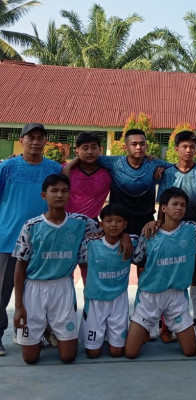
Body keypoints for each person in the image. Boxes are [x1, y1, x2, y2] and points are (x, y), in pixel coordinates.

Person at [13, 174, 97, 364]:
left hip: (63, 287)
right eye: (54, 191)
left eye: (64, 191)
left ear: (69, 195)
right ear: (44, 195)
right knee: (30, 359)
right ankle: (41, 328)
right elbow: (20, 265)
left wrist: (125, 237)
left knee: (68, 357)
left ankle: (51, 327)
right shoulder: (31, 226)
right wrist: (19, 306)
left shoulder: (82, 222)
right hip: (34, 289)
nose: (60, 195)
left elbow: (109, 230)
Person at [0, 123, 62, 356]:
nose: (35, 141)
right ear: (21, 140)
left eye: (40, 137)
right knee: (2, 290)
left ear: (46, 141)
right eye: (31, 137)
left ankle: (43, 329)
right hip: (8, 239)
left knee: (40, 291)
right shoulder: (7, 167)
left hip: (44, 240)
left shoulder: (54, 168)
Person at [124, 187, 196, 359]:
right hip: (149, 296)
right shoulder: (149, 233)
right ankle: (145, 327)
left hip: (176, 296)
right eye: (175, 204)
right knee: (130, 353)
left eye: (183, 205)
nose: (179, 208)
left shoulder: (192, 230)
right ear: (164, 208)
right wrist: (125, 236)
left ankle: (179, 328)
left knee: (190, 351)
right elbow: (137, 259)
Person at [157, 131, 196, 334]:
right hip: (170, 228)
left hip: (195, 226)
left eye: (192, 147)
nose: (188, 150)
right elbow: (162, 202)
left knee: (195, 273)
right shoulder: (168, 173)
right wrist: (159, 225)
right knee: (170, 273)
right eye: (184, 147)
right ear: (176, 149)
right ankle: (166, 324)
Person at [80, 204, 137, 358]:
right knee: (92, 353)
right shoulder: (90, 244)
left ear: (125, 224)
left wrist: (125, 236)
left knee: (116, 352)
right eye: (109, 221)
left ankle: (109, 335)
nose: (113, 225)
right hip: (95, 301)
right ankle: (99, 333)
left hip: (118, 300)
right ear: (101, 224)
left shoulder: (133, 242)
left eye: (118, 221)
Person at [96, 128, 172, 236]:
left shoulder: (153, 163)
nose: (139, 147)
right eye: (134, 144)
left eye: (142, 144)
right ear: (125, 147)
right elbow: (89, 157)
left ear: (146, 146)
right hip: (119, 222)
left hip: (146, 221)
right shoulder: (114, 162)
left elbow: (178, 168)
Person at [63, 131, 112, 285]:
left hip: (92, 227)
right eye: (85, 148)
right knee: (65, 270)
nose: (90, 151)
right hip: (67, 225)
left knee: (90, 272)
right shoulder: (66, 170)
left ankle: (90, 308)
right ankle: (68, 307)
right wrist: (72, 163)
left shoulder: (108, 173)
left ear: (100, 149)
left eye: (93, 147)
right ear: (76, 150)